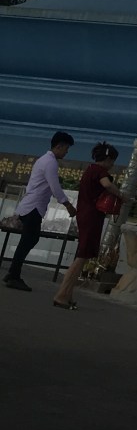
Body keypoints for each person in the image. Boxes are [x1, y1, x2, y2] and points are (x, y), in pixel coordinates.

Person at [51, 142, 126, 310]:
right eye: (112, 161)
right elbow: (107, 184)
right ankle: (61, 295)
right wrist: (121, 195)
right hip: (92, 216)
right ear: (107, 159)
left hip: (85, 214)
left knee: (82, 255)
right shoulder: (100, 172)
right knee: (81, 257)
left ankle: (68, 295)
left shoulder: (90, 169)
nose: (112, 165)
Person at [3, 131, 77, 292]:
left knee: (28, 240)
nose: (66, 152)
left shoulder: (43, 160)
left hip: (30, 206)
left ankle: (13, 272)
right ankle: (14, 275)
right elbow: (55, 187)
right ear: (59, 146)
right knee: (29, 240)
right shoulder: (50, 163)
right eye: (66, 149)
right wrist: (68, 205)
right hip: (33, 207)